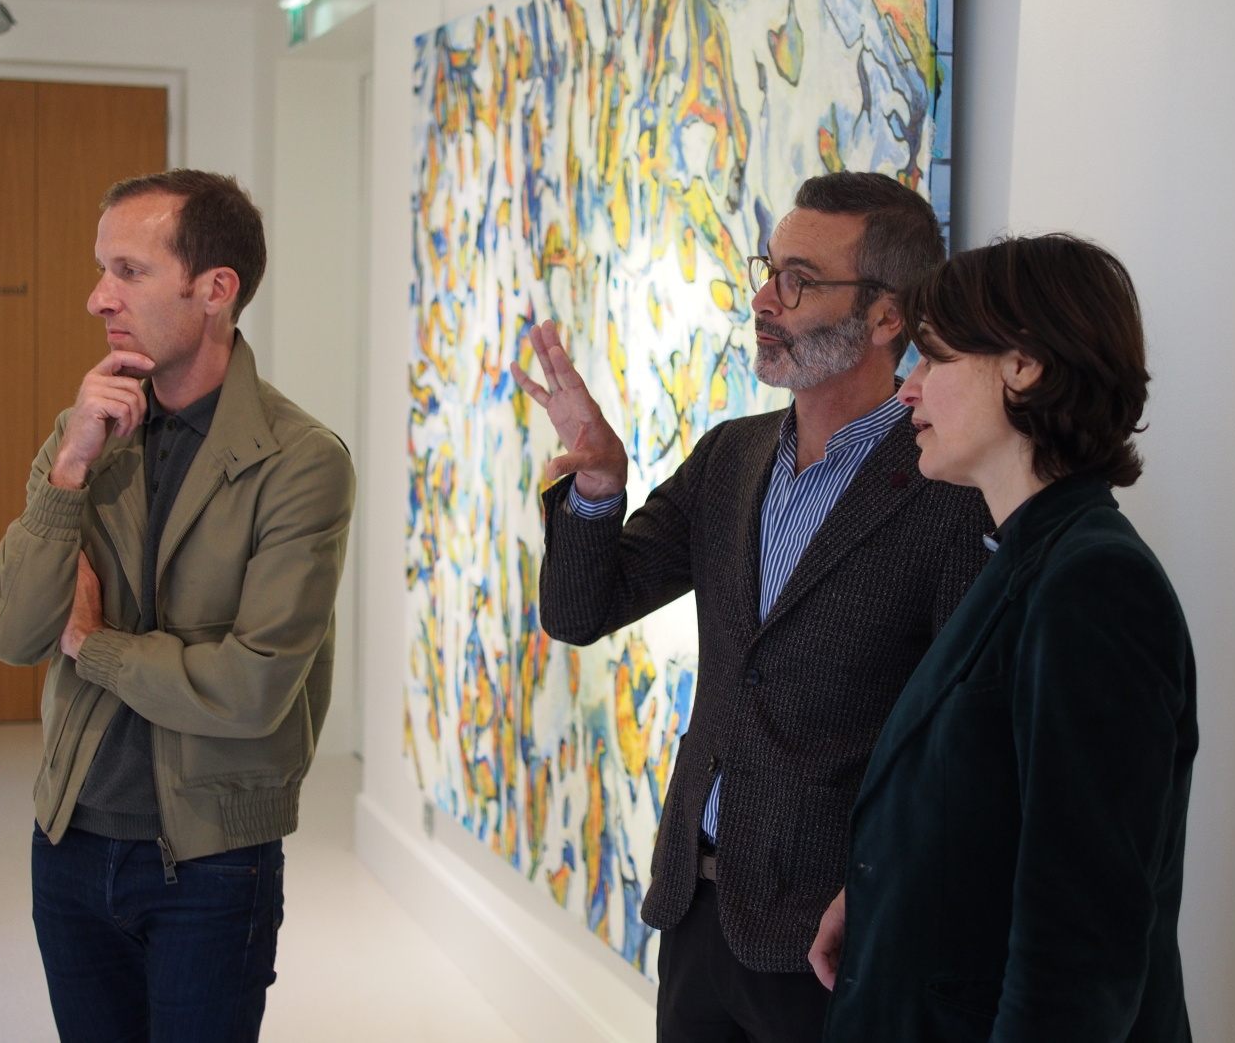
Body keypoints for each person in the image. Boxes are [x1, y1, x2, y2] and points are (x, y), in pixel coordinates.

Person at [511, 171, 991, 1042]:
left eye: (798, 281)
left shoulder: (949, 493)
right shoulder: (730, 457)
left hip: (837, 940)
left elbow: (965, 742)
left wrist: (888, 895)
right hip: (695, 908)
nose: (765, 301)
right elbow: (580, 613)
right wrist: (597, 486)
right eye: (769, 272)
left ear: (887, 317)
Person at [0, 169, 356, 1042]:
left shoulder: (301, 460)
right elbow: (8, 633)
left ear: (215, 289)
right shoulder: (84, 435)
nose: (97, 297)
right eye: (101, 269)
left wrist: (94, 644)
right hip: (69, 841)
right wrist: (67, 473)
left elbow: (254, 688)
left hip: (213, 861)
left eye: (129, 270)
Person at [812, 234, 1198, 1041]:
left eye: (935, 358)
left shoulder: (1094, 587)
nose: (909, 390)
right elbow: (991, 809)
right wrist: (878, 898)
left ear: (1024, 367)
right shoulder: (1026, 559)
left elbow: (1079, 952)